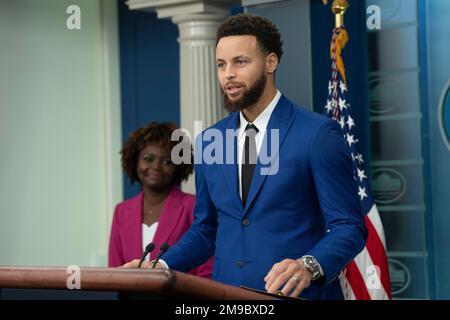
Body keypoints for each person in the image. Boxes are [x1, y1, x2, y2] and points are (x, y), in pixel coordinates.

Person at [124, 14, 367, 300]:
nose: (228, 74)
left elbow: (349, 227)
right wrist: (160, 265)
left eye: (240, 62)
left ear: (270, 62)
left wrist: (308, 266)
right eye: (221, 64)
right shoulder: (209, 141)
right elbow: (206, 229)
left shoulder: (317, 134)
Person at [108, 122, 213, 278]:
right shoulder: (122, 211)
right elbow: (114, 271)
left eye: (167, 162)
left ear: (179, 166)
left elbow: (206, 271)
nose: (156, 166)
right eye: (148, 159)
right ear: (135, 161)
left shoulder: (194, 206)